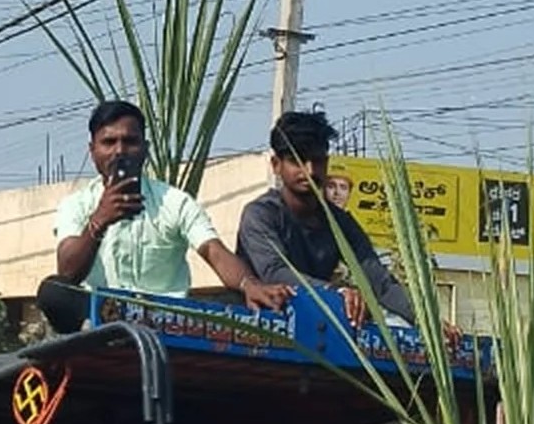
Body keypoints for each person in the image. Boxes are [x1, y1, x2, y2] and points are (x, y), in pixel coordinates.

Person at [39, 101, 290, 333]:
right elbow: (67, 274)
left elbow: (213, 250)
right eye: (109, 142)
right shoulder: (76, 206)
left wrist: (249, 284)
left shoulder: (174, 202)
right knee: (54, 292)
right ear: (92, 151)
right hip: (99, 321)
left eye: (130, 141)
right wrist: (99, 221)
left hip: (165, 321)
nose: (120, 151)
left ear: (145, 149)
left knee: (237, 299)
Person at [237, 109, 419, 328]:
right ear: (276, 165)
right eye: (298, 161)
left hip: (315, 328)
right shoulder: (260, 215)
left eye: (317, 161)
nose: (310, 170)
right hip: (258, 326)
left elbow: (378, 280)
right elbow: (274, 272)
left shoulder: (339, 222)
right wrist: (336, 292)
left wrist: (425, 322)